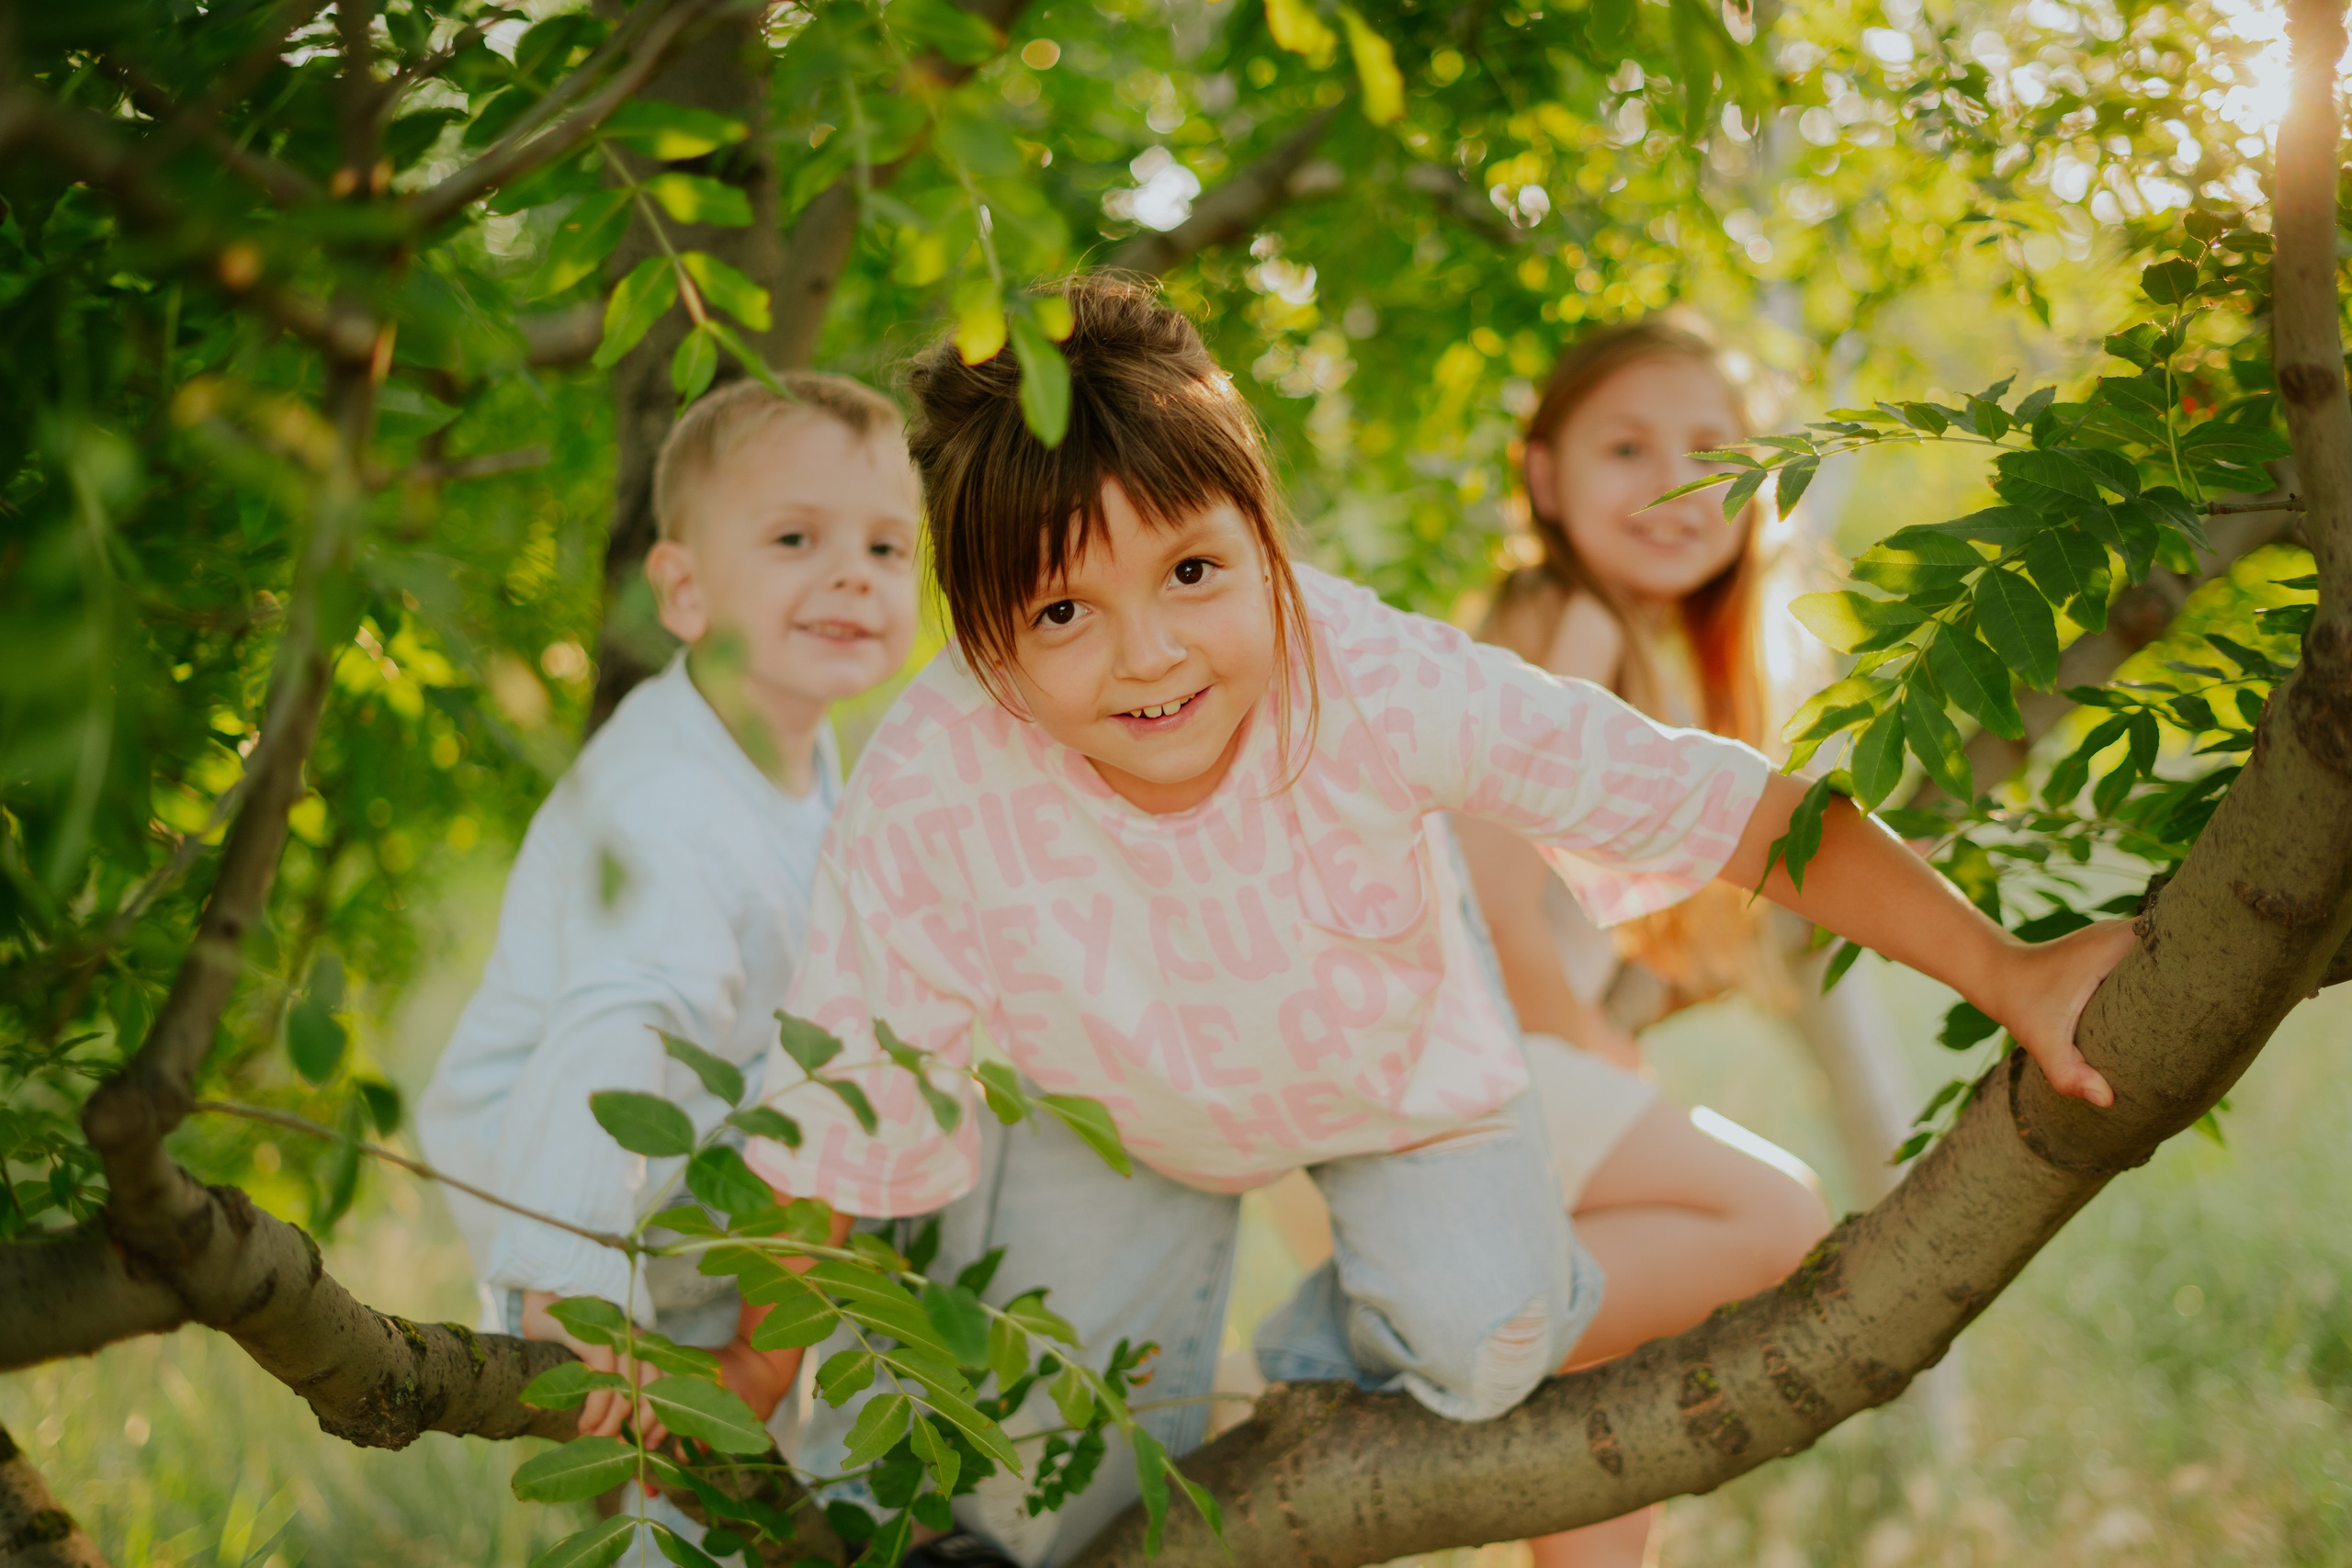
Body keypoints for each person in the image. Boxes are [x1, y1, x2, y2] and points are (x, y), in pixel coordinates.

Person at [750, 276, 2132, 1567]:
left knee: (1486, 1342)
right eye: (1063, 609)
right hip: (1105, 1106)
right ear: (982, 640)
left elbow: (1727, 807)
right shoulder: (935, 777)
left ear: (1264, 537)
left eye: (1192, 573)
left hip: (1393, 1074)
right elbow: (838, 1102)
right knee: (1034, 1505)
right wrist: (732, 1392)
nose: (1149, 653)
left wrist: (2004, 969)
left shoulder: (1366, 672)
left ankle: (1299, 1374)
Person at [416, 372, 920, 1552]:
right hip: (576, 1192)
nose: (853, 575)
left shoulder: (813, 762)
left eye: (886, 547)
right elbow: (613, 1029)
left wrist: (763, 1343)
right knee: (670, 1505)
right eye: (796, 539)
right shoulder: (665, 801)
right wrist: (571, 1295)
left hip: (707, 1194)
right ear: (684, 591)